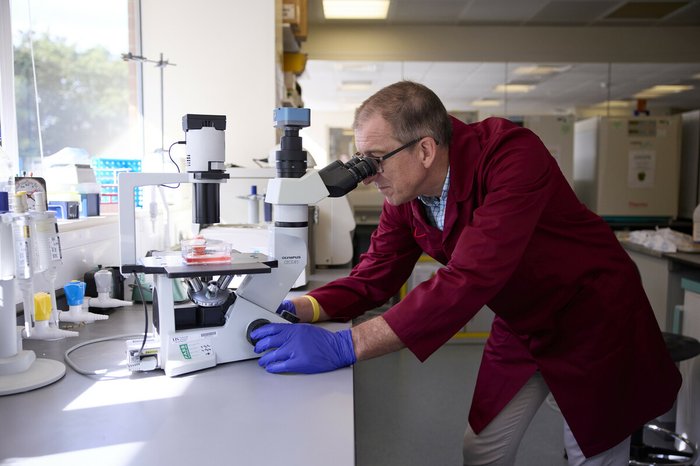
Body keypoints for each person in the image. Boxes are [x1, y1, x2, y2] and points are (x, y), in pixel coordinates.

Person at [250, 81, 681, 465]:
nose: (368, 177)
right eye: (364, 161)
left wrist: (346, 345)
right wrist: (300, 308)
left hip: (592, 318)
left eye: (376, 160)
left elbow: (472, 276)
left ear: (425, 149)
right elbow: (374, 276)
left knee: (590, 450)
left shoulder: (512, 156)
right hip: (523, 323)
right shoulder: (406, 196)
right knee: (482, 449)